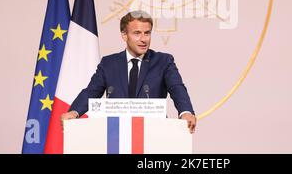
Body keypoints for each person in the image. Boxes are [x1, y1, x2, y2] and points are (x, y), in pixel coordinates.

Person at [61, 10, 197, 133]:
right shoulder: (108, 63)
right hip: (115, 135)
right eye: (137, 33)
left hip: (154, 133)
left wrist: (185, 112)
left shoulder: (163, 61)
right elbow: (91, 92)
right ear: (124, 35)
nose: (143, 39)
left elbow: (177, 88)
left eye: (147, 33)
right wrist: (75, 112)